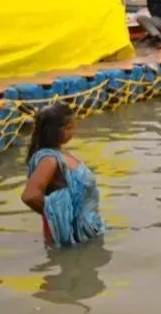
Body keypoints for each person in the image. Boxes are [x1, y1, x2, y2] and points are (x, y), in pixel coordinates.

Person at [20, 104, 104, 248]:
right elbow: (30, 196)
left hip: (86, 229)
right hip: (73, 234)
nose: (74, 131)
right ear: (54, 131)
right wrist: (61, 217)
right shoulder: (50, 160)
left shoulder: (60, 151)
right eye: (69, 128)